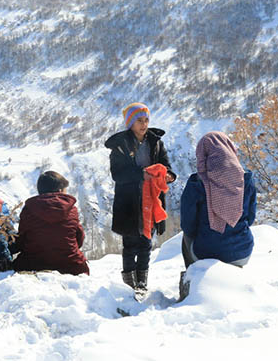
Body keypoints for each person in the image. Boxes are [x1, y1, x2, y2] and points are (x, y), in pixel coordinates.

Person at [104, 102, 175, 291]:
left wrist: (168, 175)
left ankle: (142, 282)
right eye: (139, 121)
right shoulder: (120, 146)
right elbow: (117, 174)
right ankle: (129, 283)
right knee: (130, 243)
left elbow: (166, 165)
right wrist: (141, 175)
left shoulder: (155, 142)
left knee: (146, 242)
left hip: (151, 199)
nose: (144, 125)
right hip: (129, 201)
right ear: (130, 123)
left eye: (146, 120)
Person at [180, 131, 257, 269]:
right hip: (243, 251)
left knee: (185, 236)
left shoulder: (197, 183)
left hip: (205, 253)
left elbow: (187, 225)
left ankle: (193, 277)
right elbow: (250, 218)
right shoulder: (246, 180)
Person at [13, 171, 89, 275]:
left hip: (32, 265)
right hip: (71, 266)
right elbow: (79, 238)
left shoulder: (29, 209)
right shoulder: (71, 209)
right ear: (60, 190)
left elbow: (22, 240)